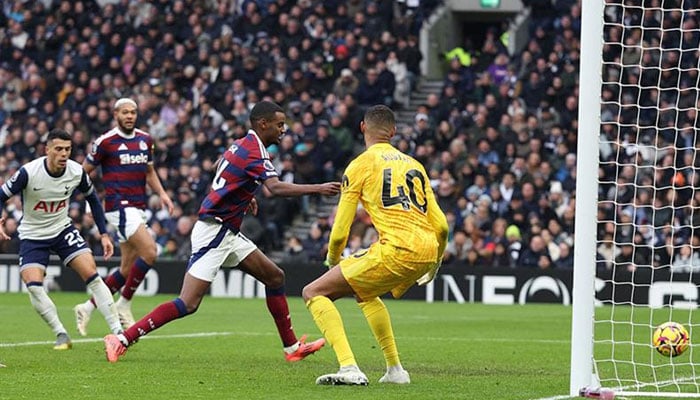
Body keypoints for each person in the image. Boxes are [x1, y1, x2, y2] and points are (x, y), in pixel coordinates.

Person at [103, 101, 341, 363]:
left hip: (227, 231)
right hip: (214, 233)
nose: (283, 130)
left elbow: (220, 164)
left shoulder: (240, 144)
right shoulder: (255, 152)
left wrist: (242, 192)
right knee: (188, 303)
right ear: (263, 124)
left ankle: (291, 348)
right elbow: (275, 188)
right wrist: (318, 188)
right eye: (280, 124)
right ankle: (122, 338)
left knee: (275, 277)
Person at [301, 105, 449, 385]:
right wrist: (435, 262)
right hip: (427, 251)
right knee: (365, 293)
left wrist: (333, 260)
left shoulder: (360, 165)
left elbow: (340, 231)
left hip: (397, 250)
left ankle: (348, 368)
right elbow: (441, 226)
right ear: (393, 132)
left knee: (314, 291)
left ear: (362, 128)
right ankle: (396, 371)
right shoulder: (415, 165)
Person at [0, 129, 123, 349]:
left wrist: (104, 234)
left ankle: (119, 333)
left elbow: (94, 200)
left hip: (62, 230)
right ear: (46, 150)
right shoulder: (29, 173)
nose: (64, 154)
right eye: (58, 149)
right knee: (34, 285)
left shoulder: (76, 172)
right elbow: (1, 196)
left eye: (67, 149)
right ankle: (61, 333)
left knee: (93, 275)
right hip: (33, 235)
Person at [73, 97, 174, 336]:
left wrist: (162, 194)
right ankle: (124, 303)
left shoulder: (145, 140)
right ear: (115, 114)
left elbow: (149, 171)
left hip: (137, 207)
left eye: (133, 112)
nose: (129, 116)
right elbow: (81, 172)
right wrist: (84, 200)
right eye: (125, 112)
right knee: (150, 251)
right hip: (118, 207)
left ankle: (87, 307)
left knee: (126, 269)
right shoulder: (105, 142)